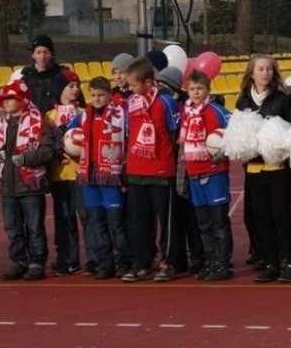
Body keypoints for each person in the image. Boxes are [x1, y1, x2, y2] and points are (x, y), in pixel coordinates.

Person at [235, 54, 291, 283]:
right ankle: (271, 262)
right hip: (254, 169)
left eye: (269, 69)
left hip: (279, 168)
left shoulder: (283, 98)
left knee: (281, 215)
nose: (265, 73)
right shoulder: (243, 100)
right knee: (263, 218)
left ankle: (290, 263)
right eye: (261, 69)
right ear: (251, 73)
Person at [121, 57, 182, 283]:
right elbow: (130, 135)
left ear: (148, 82)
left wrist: (169, 164)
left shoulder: (166, 102)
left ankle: (167, 262)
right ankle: (141, 263)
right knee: (138, 221)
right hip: (137, 171)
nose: (130, 89)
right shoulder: (132, 103)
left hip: (160, 171)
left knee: (166, 221)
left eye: (134, 85)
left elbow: (175, 134)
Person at [0, 79, 54, 281]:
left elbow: (47, 150)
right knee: (12, 228)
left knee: (34, 227)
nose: (5, 102)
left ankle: (36, 263)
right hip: (7, 185)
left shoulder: (39, 121)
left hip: (30, 185)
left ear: (21, 99)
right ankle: (18, 261)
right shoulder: (1, 124)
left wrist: (27, 158)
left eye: (10, 98)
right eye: (4, 99)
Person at [68, 76, 132, 279]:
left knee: (116, 222)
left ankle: (124, 260)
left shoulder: (120, 114)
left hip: (111, 175)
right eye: (93, 95)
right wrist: (65, 149)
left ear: (108, 94)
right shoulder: (84, 115)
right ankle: (106, 262)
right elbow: (65, 131)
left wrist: (125, 171)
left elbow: (128, 138)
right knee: (97, 222)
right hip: (89, 174)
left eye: (101, 95)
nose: (96, 99)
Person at [178, 70, 233, 282]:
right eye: (191, 89)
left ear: (207, 90)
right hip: (194, 172)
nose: (195, 93)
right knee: (203, 224)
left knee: (219, 221)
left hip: (214, 172)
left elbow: (232, 133)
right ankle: (210, 261)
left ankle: (223, 264)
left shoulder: (215, 111)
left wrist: (222, 151)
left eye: (199, 88)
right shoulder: (186, 112)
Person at [157, 66, 204, 275]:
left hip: (188, 167)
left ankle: (198, 256)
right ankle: (178, 258)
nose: (159, 89)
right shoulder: (163, 105)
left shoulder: (184, 107)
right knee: (175, 218)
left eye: (163, 85)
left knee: (193, 216)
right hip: (170, 168)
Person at [46, 70, 93, 276]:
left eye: (77, 86)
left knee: (87, 216)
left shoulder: (84, 112)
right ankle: (68, 259)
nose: (75, 90)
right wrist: (56, 152)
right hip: (59, 174)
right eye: (70, 86)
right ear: (60, 89)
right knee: (64, 218)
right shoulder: (49, 115)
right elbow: (46, 142)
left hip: (81, 173)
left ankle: (94, 258)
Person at [20, 34, 67, 115]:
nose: (42, 56)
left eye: (46, 52)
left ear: (52, 54)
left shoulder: (62, 76)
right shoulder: (26, 78)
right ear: (33, 55)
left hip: (55, 122)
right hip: (32, 122)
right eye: (38, 53)